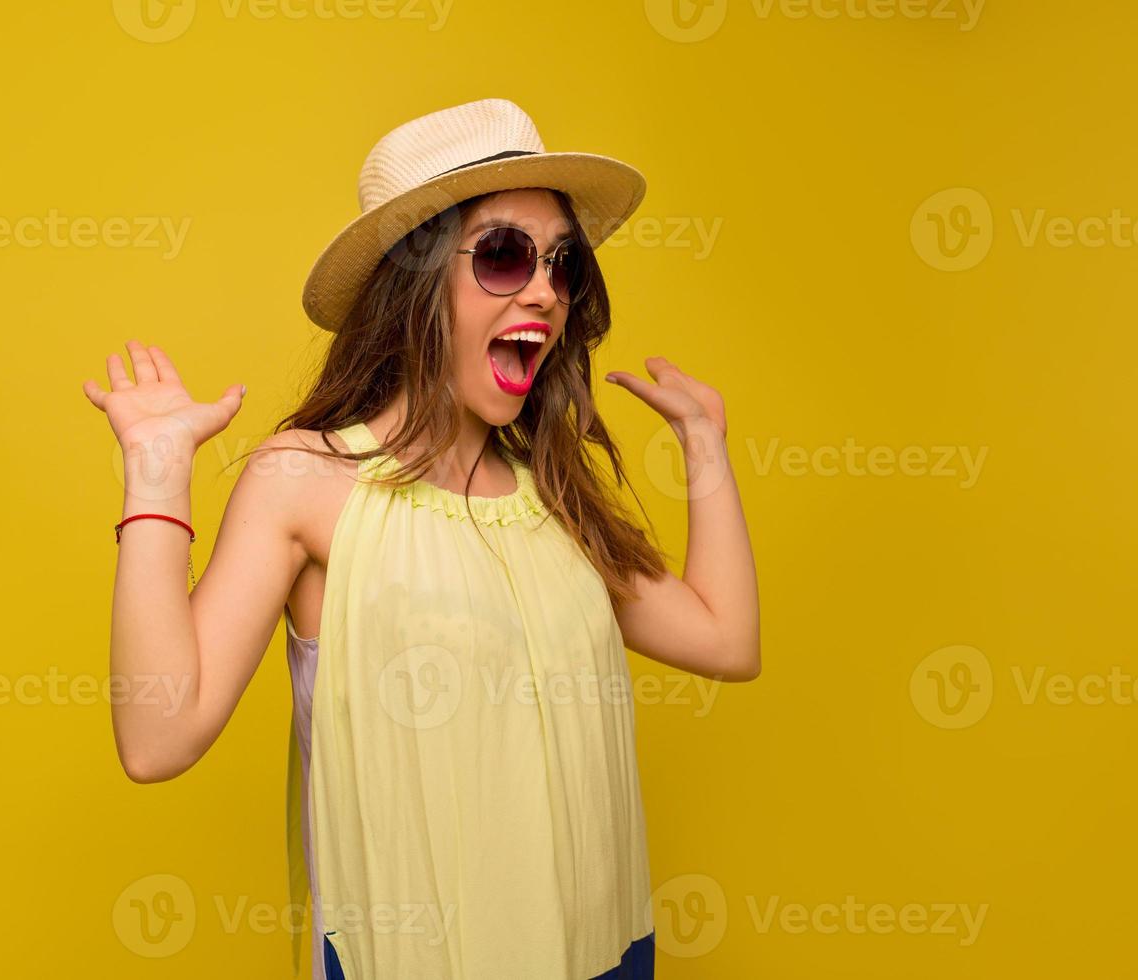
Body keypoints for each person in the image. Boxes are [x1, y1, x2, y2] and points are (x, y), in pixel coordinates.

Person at [82, 97, 760, 980]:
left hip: (603, 954)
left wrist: (706, 446)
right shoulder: (308, 483)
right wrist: (157, 477)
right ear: (413, 282)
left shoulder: (550, 496)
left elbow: (725, 640)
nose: (547, 292)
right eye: (507, 255)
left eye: (563, 265)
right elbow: (156, 738)